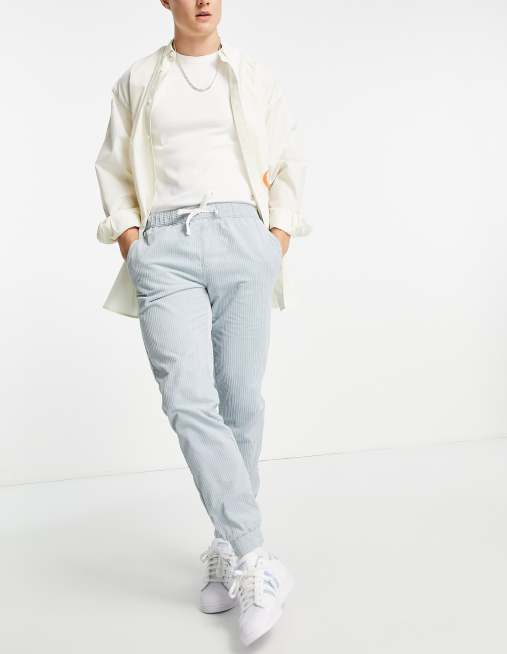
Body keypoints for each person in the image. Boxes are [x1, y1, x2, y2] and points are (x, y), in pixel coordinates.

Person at [94, 0, 311, 646]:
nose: (203, 1)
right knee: (188, 399)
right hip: (167, 245)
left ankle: (223, 544)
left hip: (243, 237)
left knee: (240, 399)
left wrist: (274, 240)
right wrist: (133, 243)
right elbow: (112, 169)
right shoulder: (139, 80)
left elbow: (289, 160)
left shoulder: (253, 77)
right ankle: (254, 557)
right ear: (166, 1)